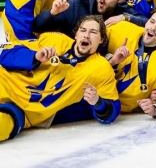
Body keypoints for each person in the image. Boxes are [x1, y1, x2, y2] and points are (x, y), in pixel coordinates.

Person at [0, 15, 120, 143]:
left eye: (93, 32)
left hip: (23, 111)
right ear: (76, 34)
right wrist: (35, 57)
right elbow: (5, 54)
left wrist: (98, 102)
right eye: (83, 30)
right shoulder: (55, 40)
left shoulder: (101, 69)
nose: (86, 35)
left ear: (101, 39)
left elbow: (113, 109)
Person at [106, 10, 156, 117]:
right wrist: (110, 61)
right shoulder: (122, 29)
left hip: (116, 112)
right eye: (152, 22)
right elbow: (91, 40)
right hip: (92, 94)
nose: (153, 28)